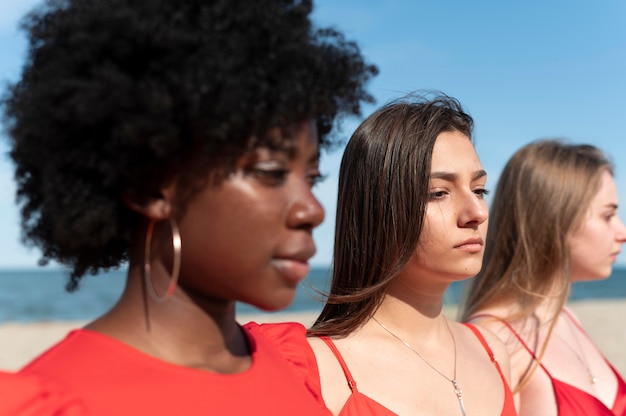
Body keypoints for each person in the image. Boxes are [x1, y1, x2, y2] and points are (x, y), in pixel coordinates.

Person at [0, 0, 377, 414]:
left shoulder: (292, 364)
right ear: (153, 188)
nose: (313, 211)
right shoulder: (56, 404)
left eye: (311, 178)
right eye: (270, 171)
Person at [306, 94, 517, 415]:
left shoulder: (492, 351)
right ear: (377, 208)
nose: (476, 212)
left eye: (479, 190)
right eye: (438, 193)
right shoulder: (320, 368)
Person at [461, 139, 626, 415]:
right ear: (555, 220)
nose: (622, 232)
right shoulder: (493, 340)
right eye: (608, 215)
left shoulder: (567, 318)